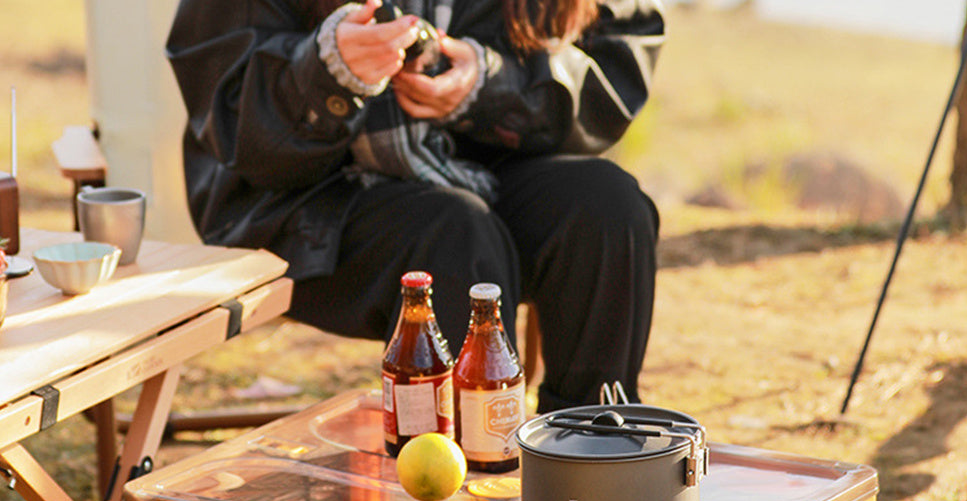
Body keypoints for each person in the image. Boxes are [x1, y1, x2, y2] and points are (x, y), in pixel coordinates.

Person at [166, 0, 665, 413]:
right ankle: (456, 483)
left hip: (486, 158)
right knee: (455, 234)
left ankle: (592, 451)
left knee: (607, 207)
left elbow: (622, 57)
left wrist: (494, 84)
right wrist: (326, 73)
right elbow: (227, 109)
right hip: (300, 201)